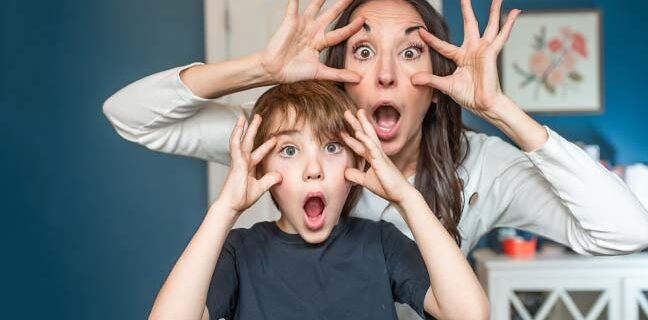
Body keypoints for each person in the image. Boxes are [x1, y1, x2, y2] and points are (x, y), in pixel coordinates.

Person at [104, 0, 648, 317]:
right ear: (336, 76)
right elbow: (129, 115)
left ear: (436, 86)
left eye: (409, 52)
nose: (386, 74)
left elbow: (625, 232)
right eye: (364, 52)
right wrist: (261, 69)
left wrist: (503, 110)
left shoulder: (485, 168)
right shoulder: (281, 143)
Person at [147, 81, 489, 320]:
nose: (313, 169)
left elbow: (469, 314)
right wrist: (225, 210)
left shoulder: (382, 244)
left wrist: (406, 197)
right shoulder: (241, 252)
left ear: (357, 161)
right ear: (261, 165)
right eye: (290, 150)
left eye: (331, 147)